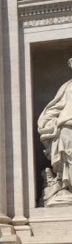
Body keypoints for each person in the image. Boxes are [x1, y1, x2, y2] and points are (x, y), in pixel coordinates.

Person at [38, 58, 72, 202]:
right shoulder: (68, 86)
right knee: (68, 158)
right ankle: (68, 186)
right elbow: (56, 107)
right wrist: (45, 122)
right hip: (67, 125)